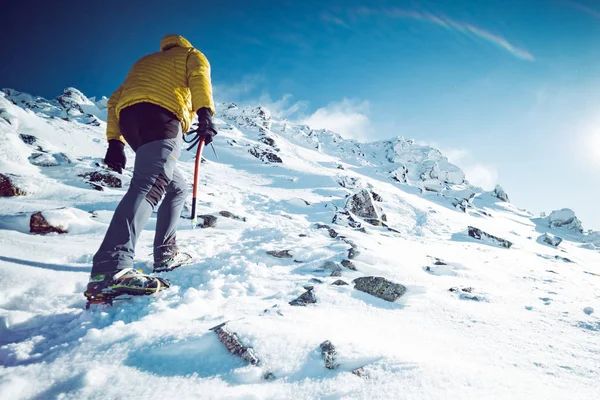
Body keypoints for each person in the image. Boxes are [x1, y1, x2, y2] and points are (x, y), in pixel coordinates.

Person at [84, 34, 217, 305]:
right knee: (150, 184)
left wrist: (115, 142)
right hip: (162, 115)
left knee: (175, 187)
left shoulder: (145, 62)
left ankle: (165, 253)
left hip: (130, 122)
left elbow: (114, 100)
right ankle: (112, 267)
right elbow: (199, 76)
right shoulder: (191, 54)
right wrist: (205, 113)